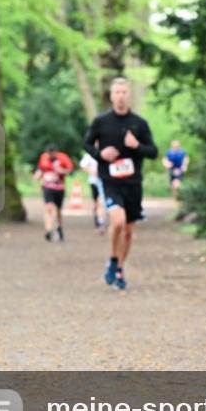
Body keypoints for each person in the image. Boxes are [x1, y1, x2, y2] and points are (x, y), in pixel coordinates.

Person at [84, 77, 158, 291]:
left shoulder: (139, 123)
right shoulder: (101, 121)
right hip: (110, 181)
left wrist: (136, 145)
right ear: (111, 96)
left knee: (128, 231)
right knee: (117, 222)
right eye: (117, 92)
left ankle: (119, 268)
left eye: (124, 92)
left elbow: (153, 152)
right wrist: (100, 155)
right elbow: (86, 143)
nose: (121, 96)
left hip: (133, 183)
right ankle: (113, 259)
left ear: (130, 96)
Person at [33, 144, 73, 242]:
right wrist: (36, 176)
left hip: (59, 187)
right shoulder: (43, 157)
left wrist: (62, 171)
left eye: (52, 154)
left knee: (58, 210)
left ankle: (59, 228)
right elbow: (40, 169)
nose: (50, 156)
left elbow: (70, 171)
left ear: (56, 152)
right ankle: (48, 230)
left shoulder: (63, 158)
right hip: (47, 186)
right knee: (49, 207)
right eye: (48, 154)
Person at [79, 150, 106, 233]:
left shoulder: (106, 152)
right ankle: (98, 222)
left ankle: (101, 223)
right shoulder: (90, 155)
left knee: (101, 202)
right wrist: (92, 171)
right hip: (94, 182)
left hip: (105, 182)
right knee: (96, 203)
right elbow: (82, 166)